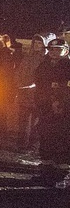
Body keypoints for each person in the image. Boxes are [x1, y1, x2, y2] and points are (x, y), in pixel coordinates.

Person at [34, 38, 70, 169]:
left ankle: (62, 162)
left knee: (62, 134)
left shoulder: (67, 66)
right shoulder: (44, 65)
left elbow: (65, 87)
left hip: (63, 108)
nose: (54, 52)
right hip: (45, 105)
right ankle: (46, 159)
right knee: (45, 133)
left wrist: (59, 102)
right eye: (52, 49)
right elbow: (39, 82)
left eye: (58, 50)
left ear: (65, 51)